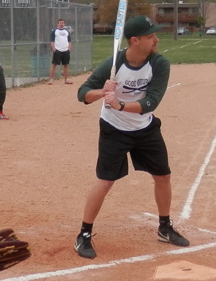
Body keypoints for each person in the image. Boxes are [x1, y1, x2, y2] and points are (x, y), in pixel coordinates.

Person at [73, 15, 189, 259]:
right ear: (135, 41)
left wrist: (120, 103)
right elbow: (82, 94)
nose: (156, 39)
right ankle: (83, 234)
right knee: (105, 181)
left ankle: (164, 227)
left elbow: (151, 102)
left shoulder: (159, 63)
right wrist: (101, 92)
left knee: (163, 176)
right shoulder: (113, 64)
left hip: (145, 128)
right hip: (114, 130)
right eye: (150, 36)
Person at [49, 18, 72, 85]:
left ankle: (66, 79)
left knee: (65, 65)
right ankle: (51, 80)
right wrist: (54, 49)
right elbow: (51, 41)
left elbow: (69, 41)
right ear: (58, 24)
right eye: (60, 23)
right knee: (54, 65)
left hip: (65, 50)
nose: (61, 24)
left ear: (64, 24)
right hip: (58, 50)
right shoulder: (55, 31)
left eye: (62, 23)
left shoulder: (66, 32)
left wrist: (69, 49)